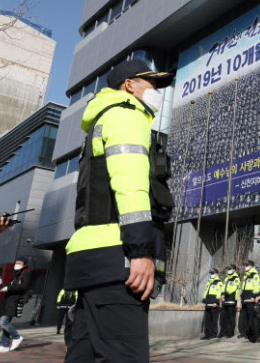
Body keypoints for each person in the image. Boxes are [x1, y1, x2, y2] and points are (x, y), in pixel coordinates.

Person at [63, 60, 174, 363]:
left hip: (93, 258)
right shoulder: (126, 116)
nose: (156, 91)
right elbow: (131, 186)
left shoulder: (104, 118)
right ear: (129, 85)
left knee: (84, 353)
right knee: (124, 356)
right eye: (150, 84)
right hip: (117, 257)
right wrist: (140, 251)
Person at [0, 256, 31, 353]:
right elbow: (11, 287)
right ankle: (5, 346)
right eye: (16, 262)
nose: (17, 264)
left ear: (25, 265)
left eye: (20, 263)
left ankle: (17, 337)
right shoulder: (16, 274)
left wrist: (8, 288)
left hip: (14, 301)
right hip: (8, 301)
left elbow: (23, 286)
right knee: (3, 325)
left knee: (3, 322)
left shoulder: (26, 272)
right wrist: (1, 284)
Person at [238, 260, 259, 342]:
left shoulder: (255, 275)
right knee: (243, 317)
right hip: (245, 298)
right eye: (245, 265)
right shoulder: (246, 275)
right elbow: (243, 287)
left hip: (250, 299)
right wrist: (242, 296)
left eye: (247, 265)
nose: (246, 266)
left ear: (252, 266)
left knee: (251, 317)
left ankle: (250, 334)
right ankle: (243, 332)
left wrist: (254, 296)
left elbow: (256, 286)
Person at [201, 269, 223, 340]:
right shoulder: (209, 282)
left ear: (216, 274)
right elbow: (205, 293)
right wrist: (203, 302)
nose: (211, 274)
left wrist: (216, 302)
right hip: (207, 303)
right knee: (207, 320)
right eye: (211, 273)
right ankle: (207, 334)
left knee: (214, 320)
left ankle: (213, 334)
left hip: (214, 304)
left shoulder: (219, 282)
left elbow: (219, 293)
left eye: (213, 273)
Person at [219, 264, 240, 338]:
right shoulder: (226, 278)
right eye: (228, 269)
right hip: (225, 300)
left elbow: (233, 289)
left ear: (234, 270)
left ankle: (230, 333)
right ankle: (222, 332)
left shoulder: (236, 278)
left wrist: (225, 294)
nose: (229, 270)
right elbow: (223, 288)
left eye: (230, 269)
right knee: (223, 318)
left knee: (231, 317)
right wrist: (222, 295)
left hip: (231, 299)